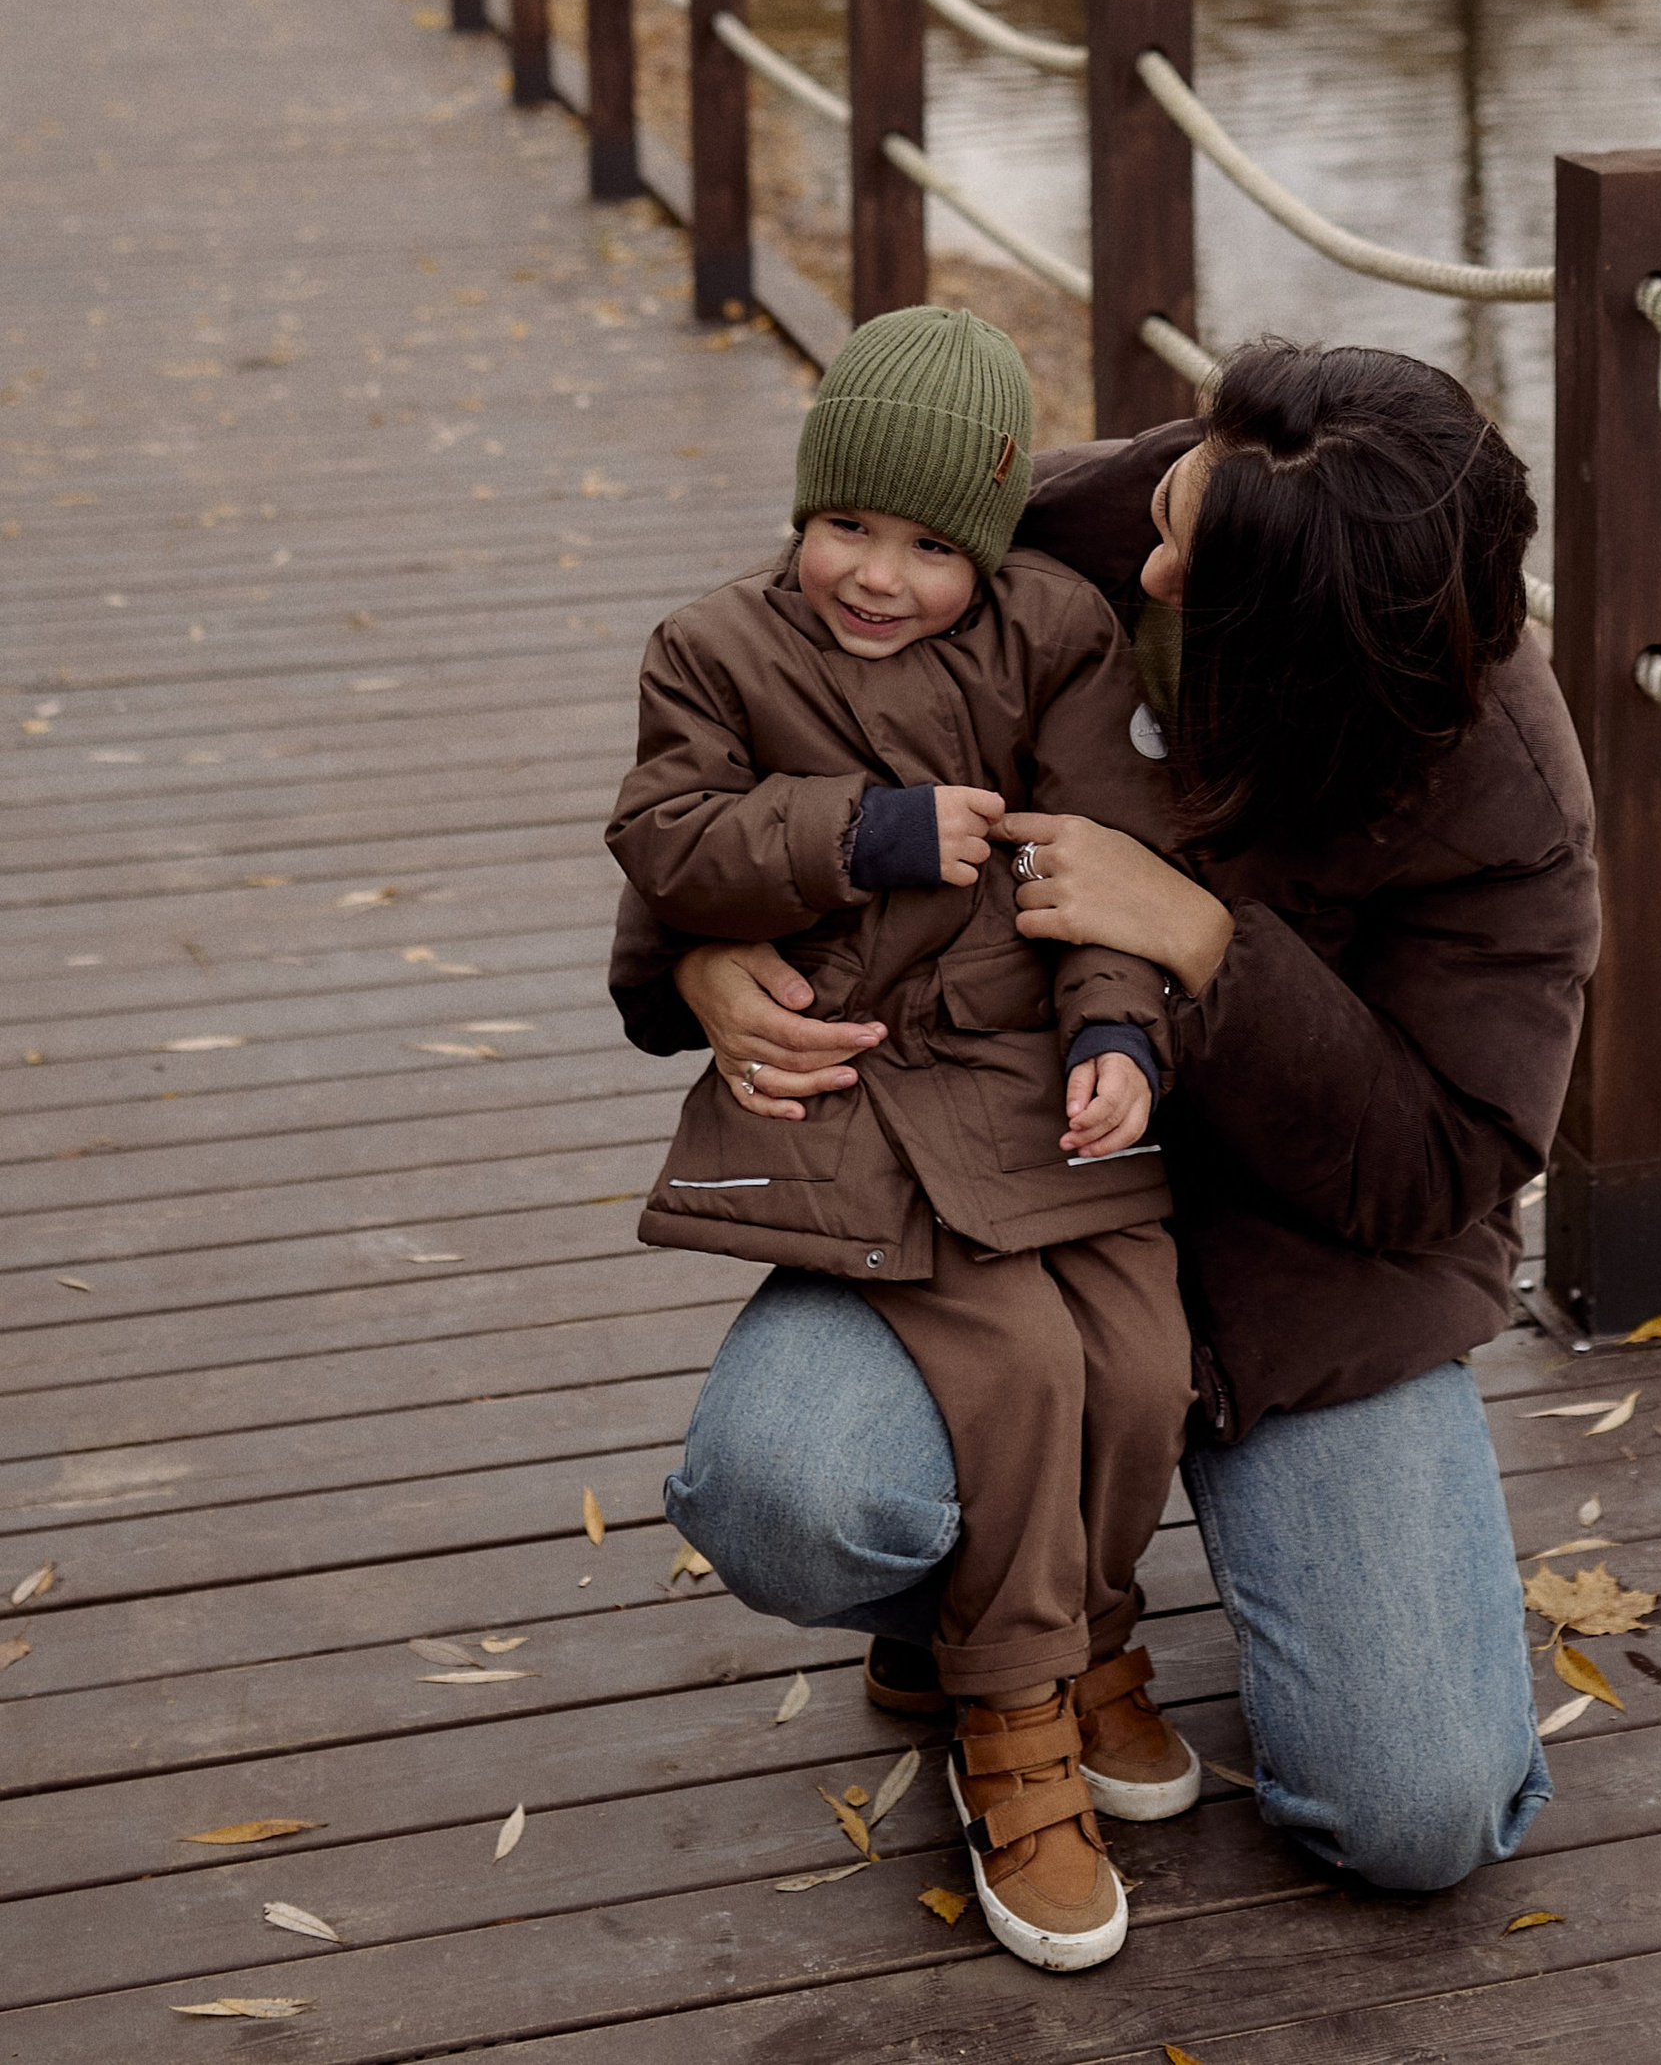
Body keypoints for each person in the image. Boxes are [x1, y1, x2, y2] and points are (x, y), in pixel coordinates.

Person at [610, 338, 1602, 1901]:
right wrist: (701, 957)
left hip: (1300, 1275)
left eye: (1187, 561)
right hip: (983, 1185)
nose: (1146, 551)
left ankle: (1072, 1578)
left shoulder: (1497, 785)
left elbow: (1443, 1167)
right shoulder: (1113, 512)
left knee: (1419, 1814)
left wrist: (1205, 947)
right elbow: (789, 658)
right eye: (1172, 494)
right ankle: (1004, 1644)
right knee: (789, 1498)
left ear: (1294, 637)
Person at [606, 302, 1199, 1975]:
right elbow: (662, 838)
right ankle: (1012, 1720)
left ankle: (1091, 1642)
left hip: (1028, 1086)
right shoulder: (714, 648)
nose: (878, 574)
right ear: (799, 508)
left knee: (1142, 1360)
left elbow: (1104, 846)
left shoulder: (1058, 635)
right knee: (1017, 1364)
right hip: (854, 1092)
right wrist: (853, 834)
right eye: (844, 524)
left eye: (933, 544)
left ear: (994, 544)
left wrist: (1113, 1027)